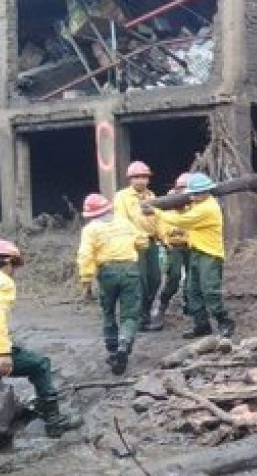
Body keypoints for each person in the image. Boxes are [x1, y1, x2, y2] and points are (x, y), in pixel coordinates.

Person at [0, 240, 81, 458]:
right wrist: (3, 354)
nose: (15, 271)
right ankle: (55, 422)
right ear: (8, 263)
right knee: (39, 365)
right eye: (15, 266)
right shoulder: (2, 282)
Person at [146, 172, 235, 339]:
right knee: (192, 290)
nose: (191, 196)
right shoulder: (199, 204)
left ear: (204, 192)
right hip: (197, 251)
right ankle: (201, 325)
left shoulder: (207, 208)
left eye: (194, 193)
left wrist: (156, 211)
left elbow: (182, 221)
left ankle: (224, 320)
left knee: (210, 290)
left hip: (210, 255)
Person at [77, 193, 147, 375]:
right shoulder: (125, 223)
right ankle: (124, 344)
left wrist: (86, 282)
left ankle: (112, 349)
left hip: (107, 272)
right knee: (130, 313)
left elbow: (85, 256)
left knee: (108, 311)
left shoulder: (90, 230)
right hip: (130, 269)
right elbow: (142, 242)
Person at [114, 160, 162, 332]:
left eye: (144, 177)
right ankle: (140, 317)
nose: (141, 180)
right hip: (133, 244)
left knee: (155, 279)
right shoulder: (122, 197)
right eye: (137, 177)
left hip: (151, 242)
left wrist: (162, 237)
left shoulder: (151, 196)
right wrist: (136, 237)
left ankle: (146, 311)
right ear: (130, 179)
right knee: (139, 280)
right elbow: (121, 221)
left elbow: (158, 219)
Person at [150, 173, 193, 331]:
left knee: (193, 277)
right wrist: (165, 240)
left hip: (192, 245)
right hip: (173, 246)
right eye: (180, 187)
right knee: (173, 277)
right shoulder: (167, 204)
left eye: (185, 187)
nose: (182, 191)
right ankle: (161, 306)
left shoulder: (195, 203)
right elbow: (160, 224)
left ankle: (191, 306)